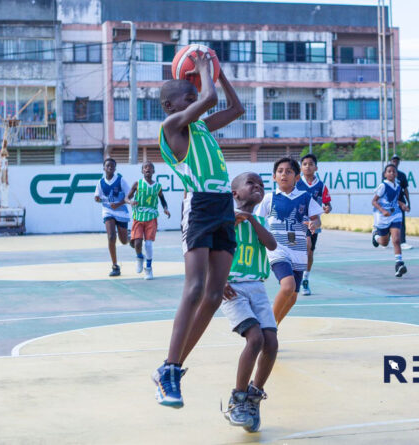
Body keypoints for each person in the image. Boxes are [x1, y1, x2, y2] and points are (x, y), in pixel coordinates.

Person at [153, 51, 245, 408]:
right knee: (193, 289)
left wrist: (218, 73)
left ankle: (172, 367)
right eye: (187, 98)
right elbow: (208, 99)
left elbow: (236, 108)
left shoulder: (202, 126)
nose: (197, 102)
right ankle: (170, 369)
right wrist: (204, 70)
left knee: (214, 292)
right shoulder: (171, 128)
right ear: (169, 105)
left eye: (195, 96)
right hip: (200, 206)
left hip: (223, 204)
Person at [220, 172, 278, 433]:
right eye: (251, 183)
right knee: (255, 339)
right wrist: (218, 280)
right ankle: (238, 398)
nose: (257, 187)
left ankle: (255, 396)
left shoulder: (260, 220)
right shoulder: (224, 219)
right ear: (235, 193)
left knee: (271, 343)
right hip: (232, 288)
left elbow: (272, 244)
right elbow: (214, 250)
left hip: (258, 287)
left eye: (261, 185)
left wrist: (252, 219)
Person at [256, 157, 322, 326]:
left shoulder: (305, 197)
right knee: (287, 286)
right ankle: (267, 326)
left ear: (297, 177)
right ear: (274, 176)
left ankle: (274, 326)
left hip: (299, 251)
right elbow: (256, 221)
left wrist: (314, 224)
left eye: (289, 171)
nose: (284, 174)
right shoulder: (269, 198)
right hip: (277, 249)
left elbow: (317, 220)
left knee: (292, 297)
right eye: (280, 171)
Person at [126, 161, 170, 280]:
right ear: (142, 171)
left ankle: (149, 269)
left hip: (151, 217)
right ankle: (139, 257)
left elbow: (162, 200)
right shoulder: (137, 184)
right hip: (138, 217)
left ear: (153, 171)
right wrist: (130, 202)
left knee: (149, 244)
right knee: (138, 243)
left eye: (150, 168)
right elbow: (126, 197)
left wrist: (165, 209)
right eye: (145, 167)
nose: (147, 169)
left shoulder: (157, 186)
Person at [296, 153, 331, 296]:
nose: (308, 166)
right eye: (304, 164)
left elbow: (327, 204)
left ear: (316, 167)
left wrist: (327, 208)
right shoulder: (297, 183)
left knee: (309, 251)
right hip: (298, 221)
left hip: (313, 222)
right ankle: (293, 276)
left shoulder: (321, 186)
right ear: (301, 167)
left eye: (310, 164)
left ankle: (305, 279)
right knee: (303, 247)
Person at [94, 158, 130, 276]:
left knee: (123, 241)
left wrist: (119, 204)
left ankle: (130, 237)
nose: (110, 167)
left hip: (121, 212)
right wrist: (97, 199)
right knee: (111, 237)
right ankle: (115, 266)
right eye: (107, 166)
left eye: (112, 166)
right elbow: (97, 197)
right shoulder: (100, 183)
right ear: (104, 168)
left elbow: (129, 196)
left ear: (115, 168)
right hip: (108, 211)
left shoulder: (121, 180)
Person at [371, 164, 408, 278]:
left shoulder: (397, 185)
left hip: (395, 214)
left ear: (396, 174)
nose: (391, 173)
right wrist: (382, 211)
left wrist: (402, 204)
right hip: (382, 216)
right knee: (384, 242)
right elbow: (374, 201)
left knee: (396, 239)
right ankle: (375, 237)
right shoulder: (383, 186)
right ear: (385, 174)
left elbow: (395, 199)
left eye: (393, 171)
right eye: (389, 171)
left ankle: (399, 264)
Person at [390, 154, 413, 250]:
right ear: (391, 162)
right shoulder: (387, 174)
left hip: (401, 202)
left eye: (397, 160)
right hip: (390, 202)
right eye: (394, 160)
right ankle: (381, 236)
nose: (395, 162)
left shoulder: (402, 175)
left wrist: (408, 202)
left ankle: (402, 242)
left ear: (399, 162)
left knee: (401, 222)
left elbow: (405, 190)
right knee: (389, 222)